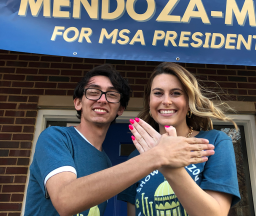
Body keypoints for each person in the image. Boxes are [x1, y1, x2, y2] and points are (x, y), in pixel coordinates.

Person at [24, 64, 215, 216]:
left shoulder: (106, 162)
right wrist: (157, 155)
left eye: (112, 95)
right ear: (77, 102)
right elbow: (65, 201)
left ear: (121, 109)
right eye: (93, 92)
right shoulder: (55, 137)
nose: (102, 99)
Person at [119, 62, 241, 216]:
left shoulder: (214, 142)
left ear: (189, 102)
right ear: (149, 102)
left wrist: (166, 164)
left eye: (176, 93)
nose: (166, 101)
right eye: (158, 93)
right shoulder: (136, 156)